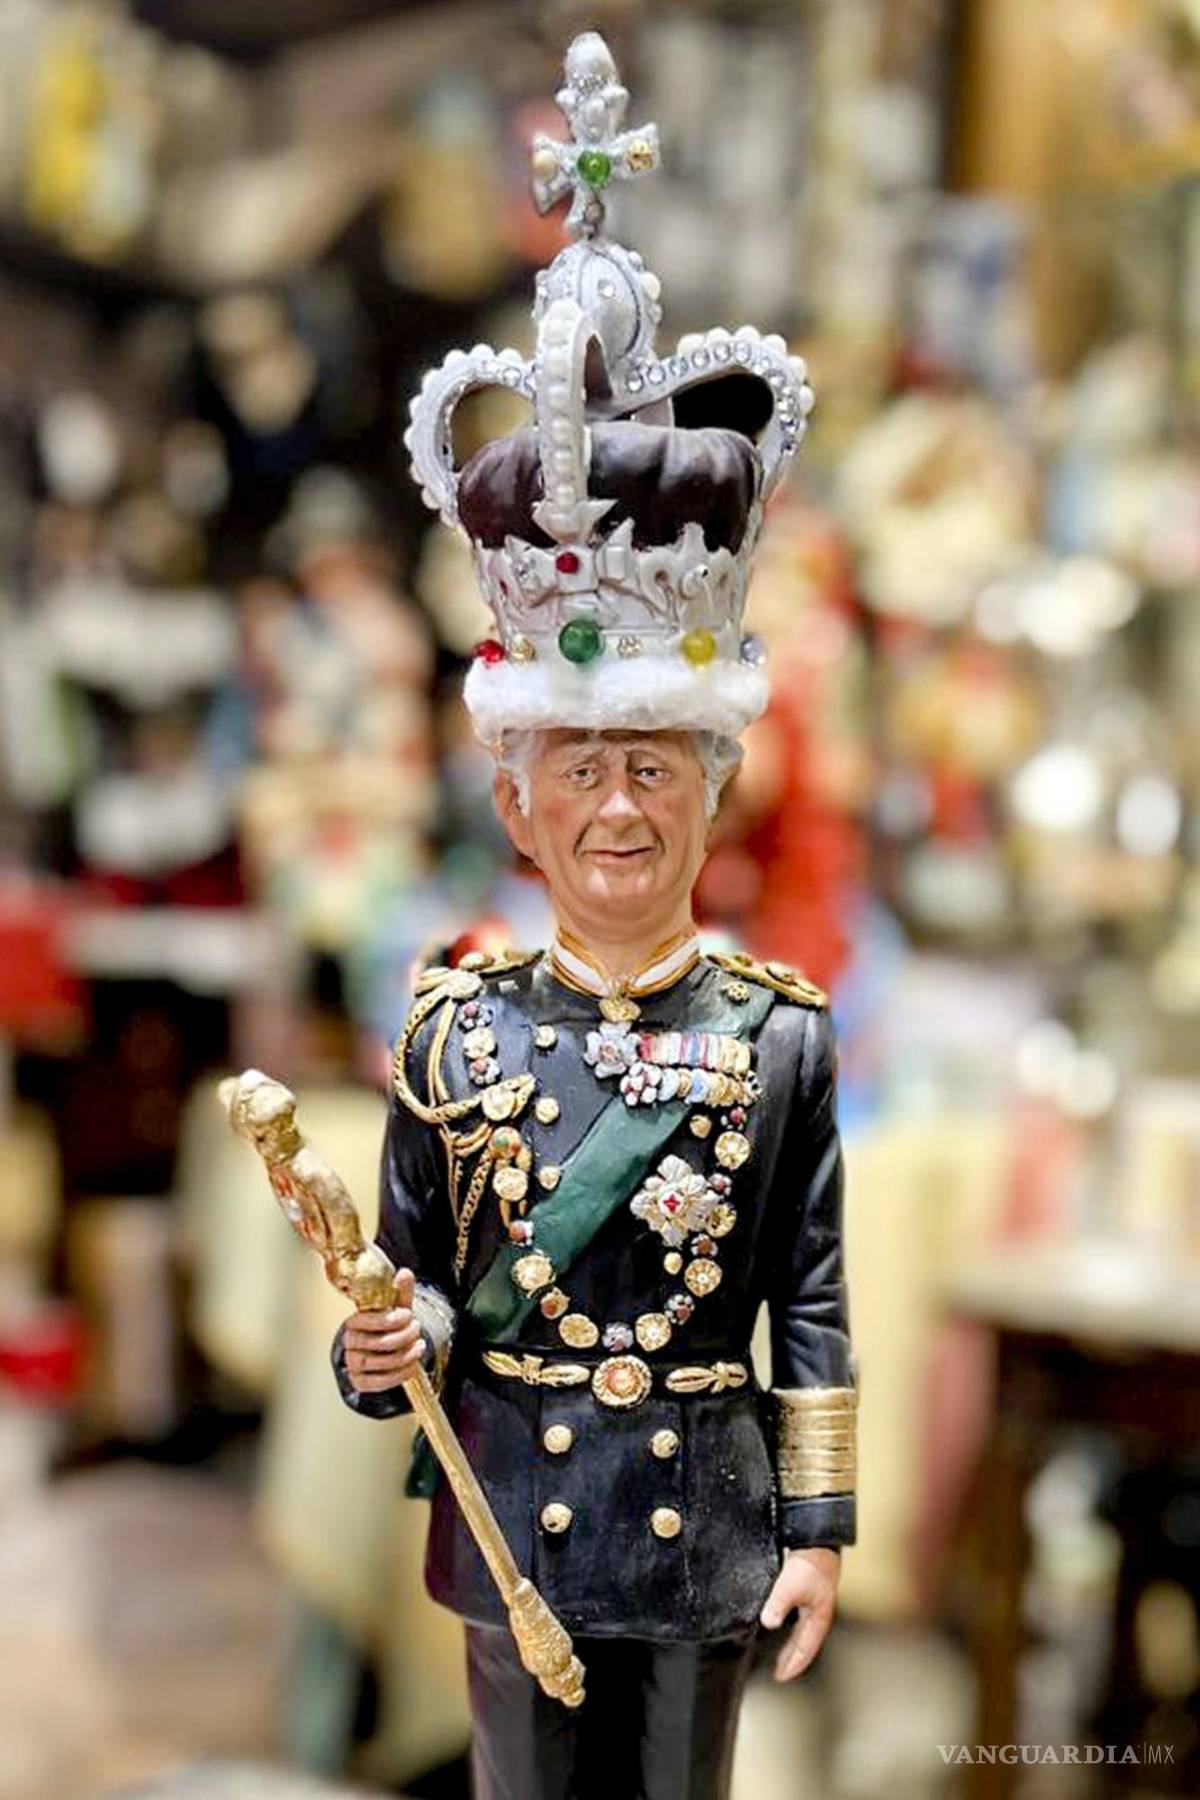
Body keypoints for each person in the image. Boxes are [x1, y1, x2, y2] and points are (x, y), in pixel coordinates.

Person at [332, 33, 856, 1800]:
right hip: (511, 1524)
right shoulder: (451, 1029)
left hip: (704, 1533)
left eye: (656, 764)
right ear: (514, 798)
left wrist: (822, 1525)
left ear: (718, 789)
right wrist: (374, 1341)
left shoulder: (779, 1037)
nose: (617, 805)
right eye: (580, 769)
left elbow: (810, 1295)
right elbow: (391, 1287)